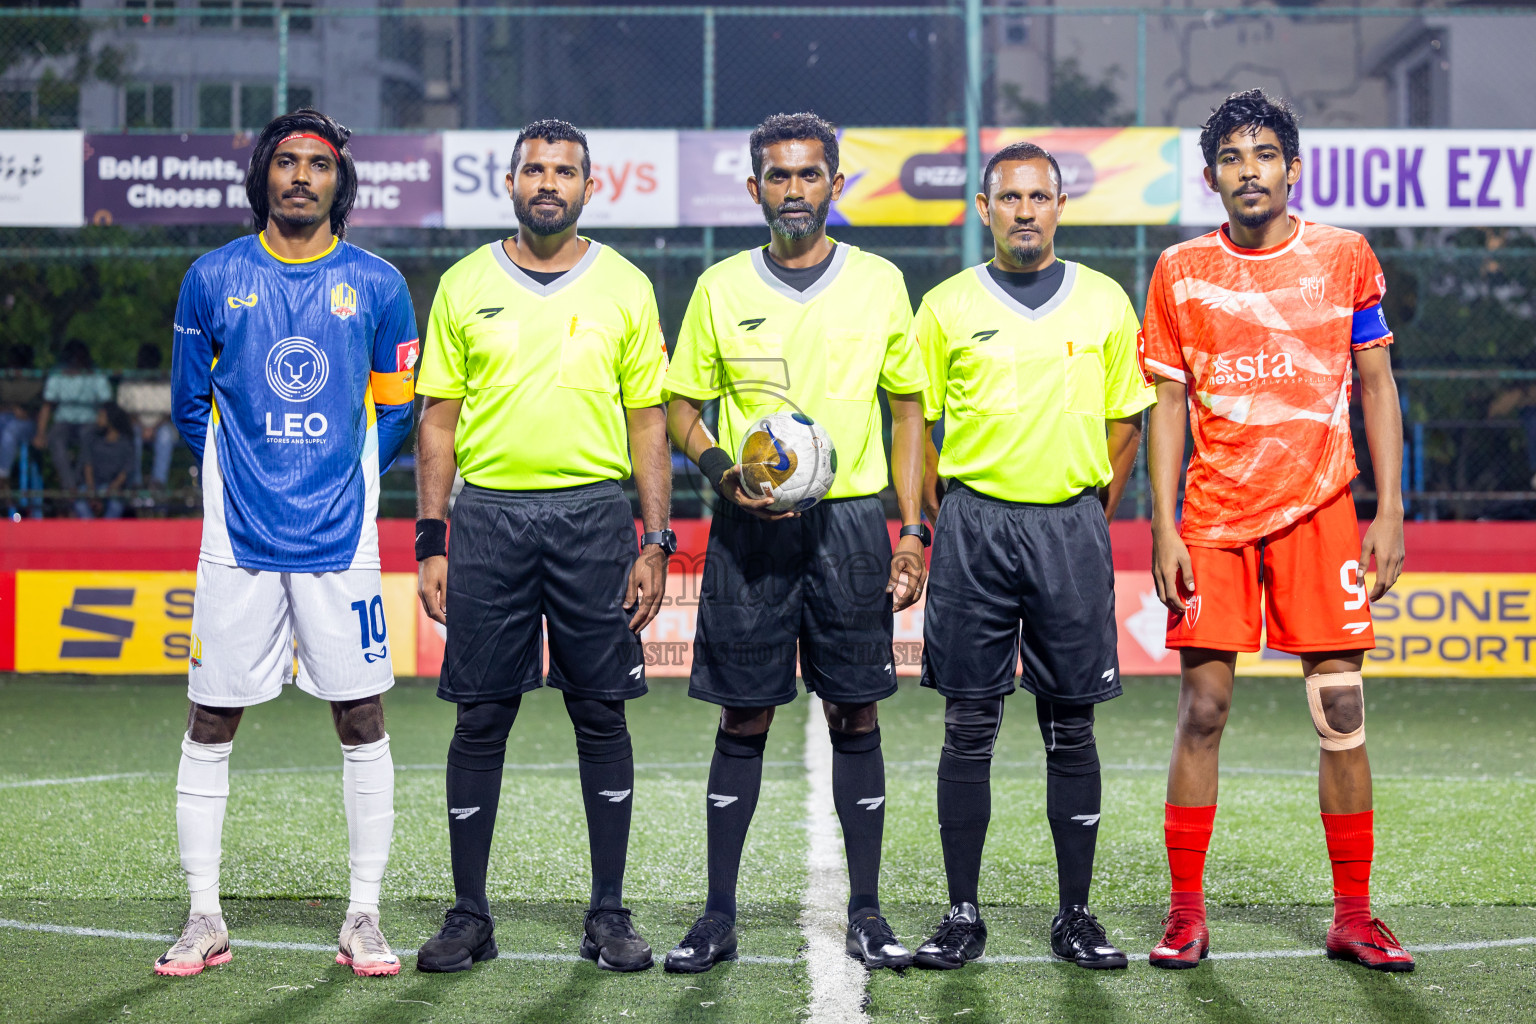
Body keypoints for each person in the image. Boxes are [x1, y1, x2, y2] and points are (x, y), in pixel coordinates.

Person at [1140, 89, 1413, 972]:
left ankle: (1355, 915)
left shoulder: (1344, 257)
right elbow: (1168, 406)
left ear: (1293, 168)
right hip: (1213, 515)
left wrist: (1391, 508)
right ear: (1211, 175)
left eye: (1263, 155)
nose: (1248, 171)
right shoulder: (1179, 269)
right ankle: (1187, 916)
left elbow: (1375, 385)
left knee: (1340, 709)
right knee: (1205, 709)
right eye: (1230, 157)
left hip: (1322, 510)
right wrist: (1163, 526)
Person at [662, 111, 929, 973]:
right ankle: (716, 916)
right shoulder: (720, 287)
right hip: (749, 526)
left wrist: (913, 527)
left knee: (856, 709)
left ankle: (867, 912)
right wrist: (718, 472)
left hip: (850, 525)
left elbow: (908, 411)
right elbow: (681, 407)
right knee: (744, 715)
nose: (793, 191)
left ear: (835, 185)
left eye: (809, 175)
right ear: (754, 190)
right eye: (777, 177)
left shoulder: (882, 283)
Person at [159, 109, 418, 978]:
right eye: (286, 162)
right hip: (238, 540)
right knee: (212, 715)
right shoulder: (212, 277)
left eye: (318, 164)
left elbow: (396, 402)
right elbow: (192, 408)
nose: (301, 176)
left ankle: (364, 914)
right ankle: (203, 916)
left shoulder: (378, 285)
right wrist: (251, 477)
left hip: (342, 539)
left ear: (340, 182)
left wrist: (349, 471)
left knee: (362, 715)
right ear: (263, 177)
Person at [412, 119, 672, 974]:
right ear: (511, 183)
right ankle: (469, 915)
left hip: (594, 517)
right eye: (534, 169)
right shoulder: (462, 284)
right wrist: (432, 539)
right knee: (481, 716)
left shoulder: (626, 287)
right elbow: (438, 425)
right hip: (488, 520)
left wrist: (656, 540)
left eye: (564, 170)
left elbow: (648, 424)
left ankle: (609, 914)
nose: (548, 182)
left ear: (589, 186)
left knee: (600, 712)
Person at [911, 143, 1154, 971]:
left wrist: (1086, 506)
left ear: (1059, 206)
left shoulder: (1105, 302)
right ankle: (961, 914)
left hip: (1069, 529)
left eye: (1038, 196)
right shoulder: (944, 306)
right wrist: (942, 516)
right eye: (1008, 197)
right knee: (969, 724)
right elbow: (920, 428)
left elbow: (1129, 421)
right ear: (984, 208)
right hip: (975, 528)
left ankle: (1077, 916)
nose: (1024, 210)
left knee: (1071, 726)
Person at [33, 339, 112, 514]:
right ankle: (71, 487)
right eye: (73, 357)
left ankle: (78, 482)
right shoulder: (58, 375)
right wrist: (40, 433)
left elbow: (105, 406)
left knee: (88, 438)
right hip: (64, 422)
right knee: (55, 438)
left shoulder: (96, 375)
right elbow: (47, 406)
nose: (76, 361)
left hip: (89, 422)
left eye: (80, 357)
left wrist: (103, 422)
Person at [116, 343, 180, 489]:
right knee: (132, 435)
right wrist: (141, 426)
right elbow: (124, 411)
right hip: (135, 426)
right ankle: (135, 482)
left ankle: (158, 482)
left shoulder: (166, 382)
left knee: (166, 436)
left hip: (161, 425)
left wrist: (153, 428)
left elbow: (170, 411)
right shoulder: (129, 382)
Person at [76, 402, 136, 519]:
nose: (98, 419)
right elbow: (88, 465)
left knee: (115, 504)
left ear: (111, 419)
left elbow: (126, 471)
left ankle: (107, 532)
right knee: (79, 501)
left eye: (101, 416)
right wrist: (92, 492)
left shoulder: (126, 443)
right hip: (92, 485)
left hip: (113, 487)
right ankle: (91, 530)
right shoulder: (93, 437)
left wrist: (110, 490)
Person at [0, 343, 42, 504]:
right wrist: (11, 408)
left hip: (26, 425)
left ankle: (2, 480)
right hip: (5, 417)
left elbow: (42, 410)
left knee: (10, 433)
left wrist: (27, 414)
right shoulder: (4, 379)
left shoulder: (36, 381)